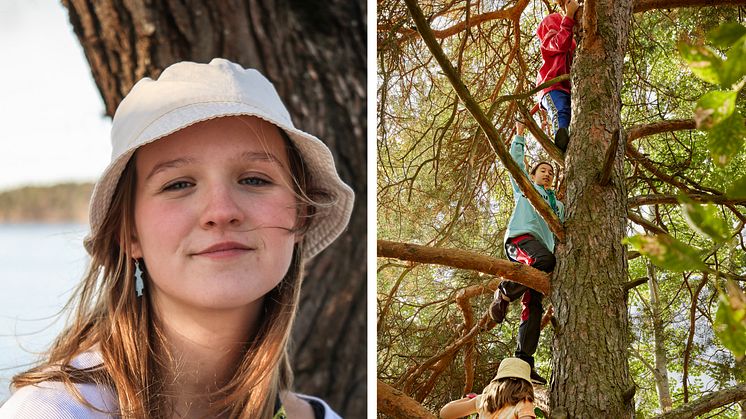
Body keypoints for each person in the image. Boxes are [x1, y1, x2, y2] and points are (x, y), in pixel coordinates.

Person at [0, 59, 354, 419]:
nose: (220, 210)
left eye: (254, 179)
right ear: (129, 233)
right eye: (178, 184)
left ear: (300, 216)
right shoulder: (50, 412)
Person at [489, 122, 564, 386]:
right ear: (532, 176)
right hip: (522, 241)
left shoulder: (559, 206)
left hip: (539, 257)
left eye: (551, 172)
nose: (547, 174)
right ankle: (504, 291)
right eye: (542, 170)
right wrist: (520, 134)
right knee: (545, 260)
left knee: (533, 308)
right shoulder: (525, 189)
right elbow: (515, 162)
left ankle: (524, 362)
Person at [536, 0, 580, 153]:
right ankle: (560, 136)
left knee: (569, 112)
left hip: (567, 88)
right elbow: (560, 43)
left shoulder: (570, 41)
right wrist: (568, 16)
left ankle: (566, 135)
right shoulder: (549, 41)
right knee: (560, 110)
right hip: (551, 87)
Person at [439, 358, 536, 419]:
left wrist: (471, 398)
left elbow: (445, 413)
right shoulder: (524, 403)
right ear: (525, 385)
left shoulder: (484, 401)